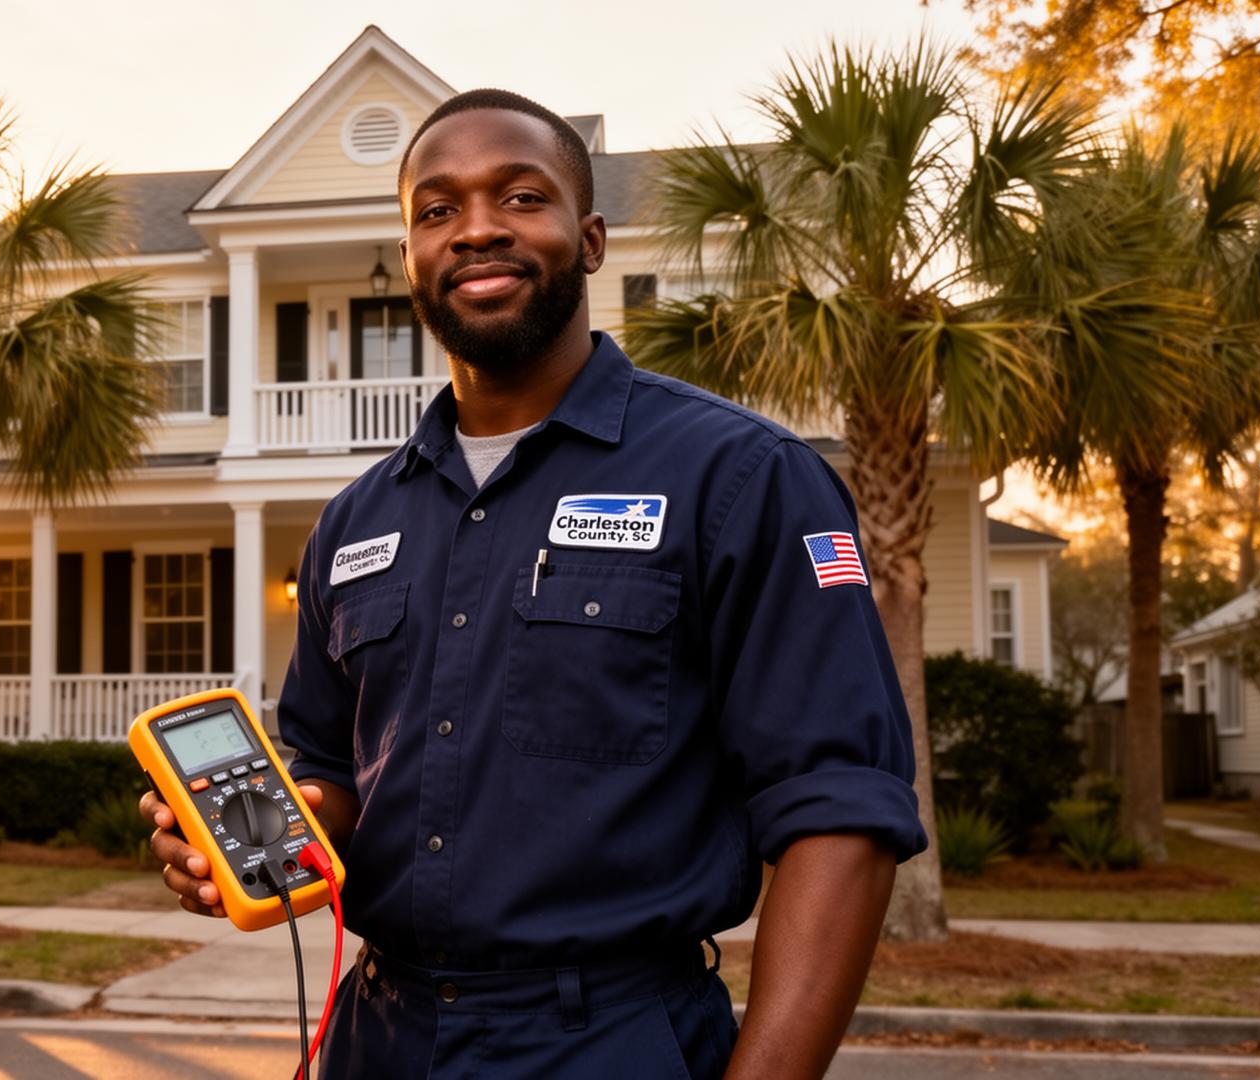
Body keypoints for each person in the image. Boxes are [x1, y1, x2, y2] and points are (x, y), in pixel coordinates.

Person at [142, 88, 927, 1079]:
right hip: (377, 1037)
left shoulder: (740, 477)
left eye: (521, 198)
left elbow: (840, 806)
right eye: (436, 211)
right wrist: (255, 844)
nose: (475, 230)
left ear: (590, 238)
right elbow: (328, 770)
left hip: (607, 1039)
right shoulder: (354, 522)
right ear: (411, 257)